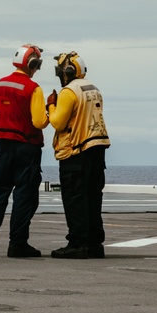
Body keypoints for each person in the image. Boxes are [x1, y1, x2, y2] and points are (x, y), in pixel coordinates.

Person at [0, 44, 49, 258]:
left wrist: (7, 121)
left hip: (3, 146)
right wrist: (51, 110)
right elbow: (39, 121)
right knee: (24, 197)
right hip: (27, 148)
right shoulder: (34, 88)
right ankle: (18, 244)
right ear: (32, 64)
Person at [46, 52, 111, 259]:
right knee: (93, 197)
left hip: (76, 151)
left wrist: (51, 105)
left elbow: (58, 122)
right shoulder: (94, 88)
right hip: (97, 148)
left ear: (68, 71)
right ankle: (94, 242)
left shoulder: (69, 92)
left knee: (75, 198)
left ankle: (78, 243)